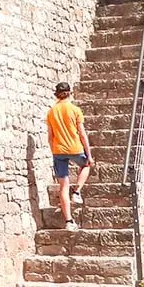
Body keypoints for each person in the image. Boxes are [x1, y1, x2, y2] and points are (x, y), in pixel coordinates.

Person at [45, 81, 93, 232]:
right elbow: (82, 134)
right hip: (75, 148)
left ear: (57, 95)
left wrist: (54, 150)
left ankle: (69, 221)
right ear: (70, 93)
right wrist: (89, 155)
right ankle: (77, 192)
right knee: (86, 165)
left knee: (63, 187)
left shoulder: (51, 111)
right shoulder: (75, 110)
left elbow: (50, 135)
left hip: (58, 150)